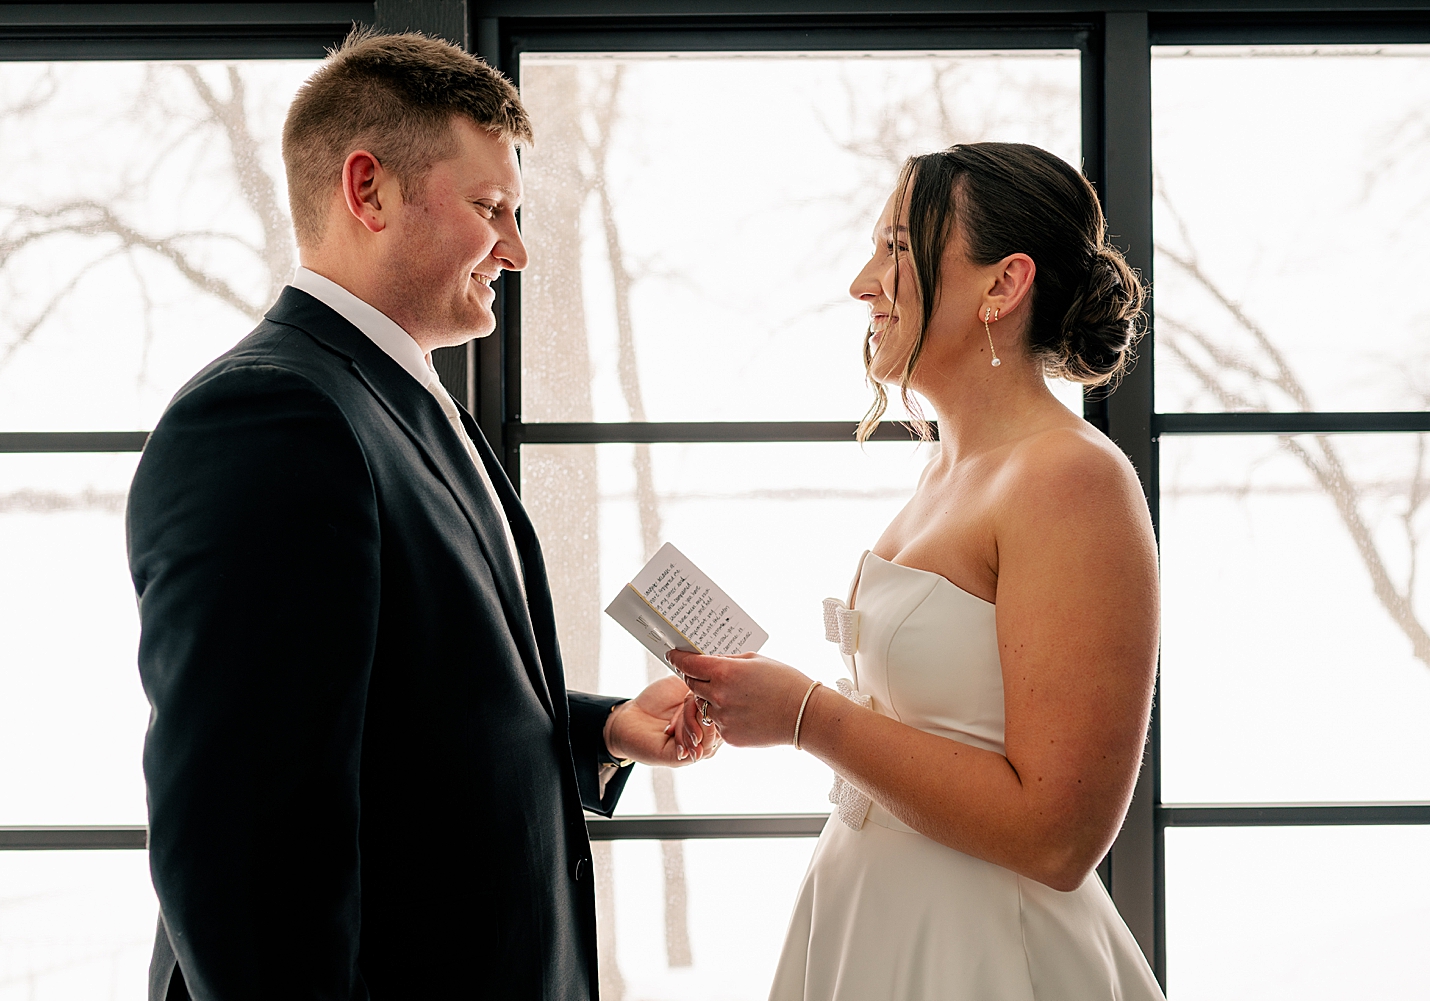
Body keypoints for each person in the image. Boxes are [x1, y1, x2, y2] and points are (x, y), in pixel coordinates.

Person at [126, 30, 713, 1001]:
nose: (516, 249)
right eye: (490, 209)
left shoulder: (406, 398)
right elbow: (245, 851)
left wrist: (603, 729)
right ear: (369, 190)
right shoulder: (269, 420)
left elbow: (411, 714)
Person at [667, 143, 1165, 1000]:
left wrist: (806, 715)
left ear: (1003, 285)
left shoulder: (1072, 478)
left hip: (983, 956)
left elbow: (1058, 837)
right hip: (869, 921)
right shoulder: (945, 469)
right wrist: (758, 697)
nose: (862, 284)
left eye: (896, 249)